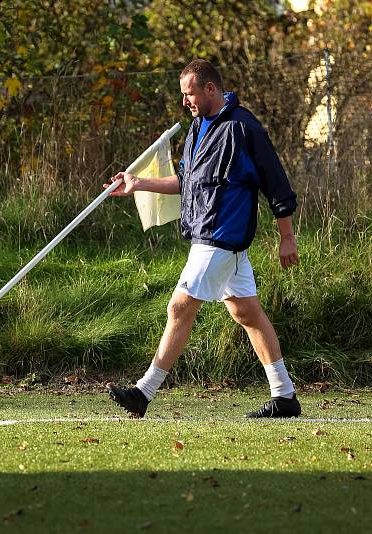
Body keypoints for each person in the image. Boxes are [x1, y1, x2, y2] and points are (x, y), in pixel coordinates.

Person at [105, 59, 301, 419]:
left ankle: (143, 393)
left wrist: (287, 237)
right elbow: (186, 181)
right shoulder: (197, 129)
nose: (185, 102)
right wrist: (137, 183)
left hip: (221, 236)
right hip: (206, 237)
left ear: (210, 88)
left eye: (190, 93)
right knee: (246, 312)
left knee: (179, 307)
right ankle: (284, 396)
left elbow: (276, 183)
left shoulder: (245, 129)